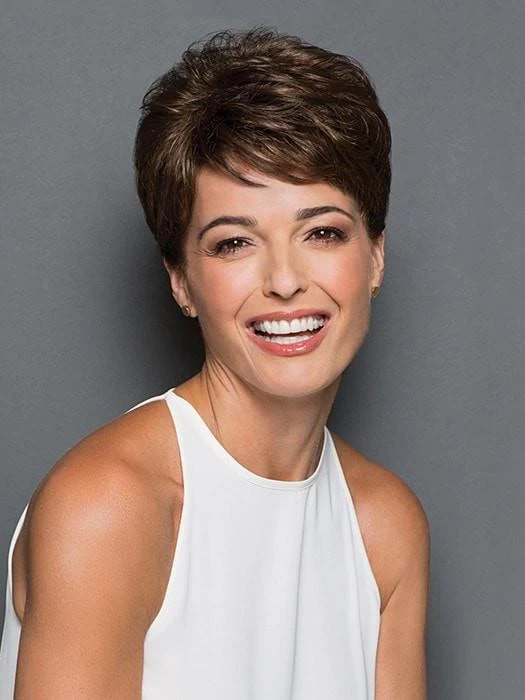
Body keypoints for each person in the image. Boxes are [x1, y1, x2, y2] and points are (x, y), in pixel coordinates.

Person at [0, 26, 430, 699]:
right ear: (181, 282)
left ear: (374, 257)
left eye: (321, 232)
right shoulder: (109, 504)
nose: (284, 280)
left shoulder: (385, 524)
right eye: (234, 242)